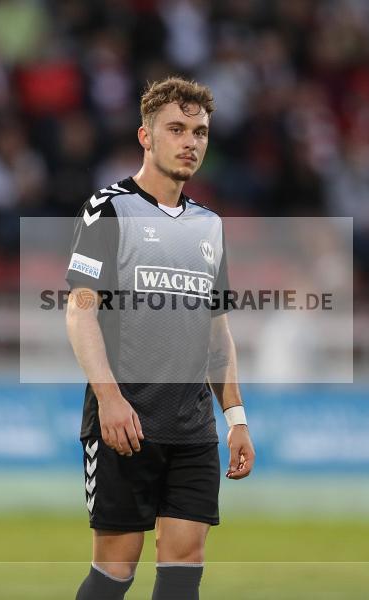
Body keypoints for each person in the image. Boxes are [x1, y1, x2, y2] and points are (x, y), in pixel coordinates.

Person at [65, 76, 255, 600]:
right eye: (176, 129)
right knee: (115, 568)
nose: (190, 142)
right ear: (145, 136)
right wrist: (109, 399)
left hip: (192, 427)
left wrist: (236, 418)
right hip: (126, 422)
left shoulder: (209, 225)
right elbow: (80, 313)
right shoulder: (109, 208)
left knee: (185, 561)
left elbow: (217, 333)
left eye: (200, 132)